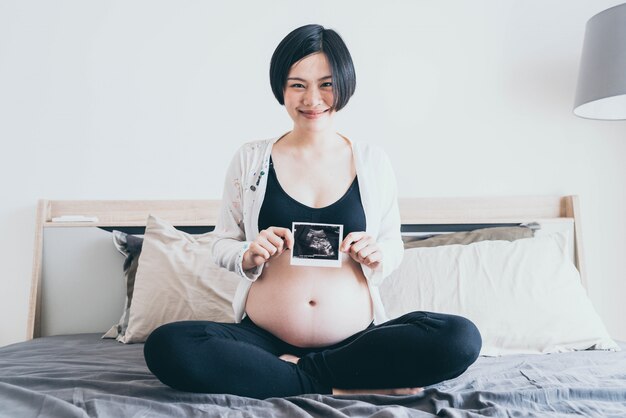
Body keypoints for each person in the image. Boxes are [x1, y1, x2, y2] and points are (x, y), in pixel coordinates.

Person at [143, 24, 481, 399]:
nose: (313, 99)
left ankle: (295, 375)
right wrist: (248, 252)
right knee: (168, 345)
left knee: (459, 338)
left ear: (344, 84)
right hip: (262, 340)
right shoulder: (251, 159)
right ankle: (341, 386)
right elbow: (222, 242)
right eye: (297, 85)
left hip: (356, 343)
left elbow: (392, 245)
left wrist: (377, 253)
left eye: (326, 84)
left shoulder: (372, 161)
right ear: (282, 89)